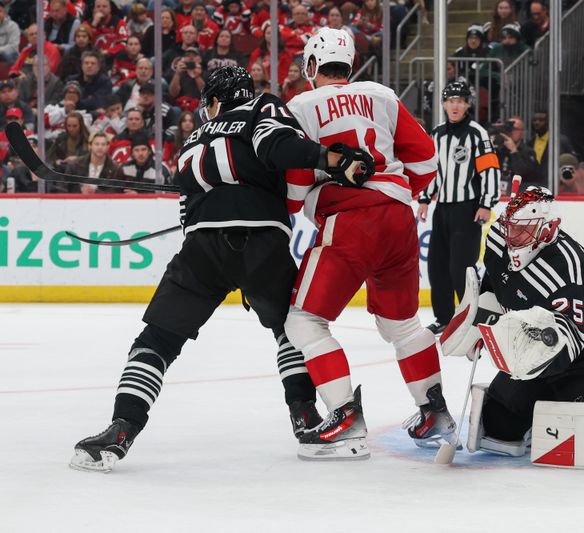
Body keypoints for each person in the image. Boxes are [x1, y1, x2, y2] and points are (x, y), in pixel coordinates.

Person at [69, 65, 374, 472]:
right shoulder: (262, 107)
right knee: (290, 330)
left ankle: (121, 428)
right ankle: (305, 416)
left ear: (214, 101)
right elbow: (280, 147)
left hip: (202, 247)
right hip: (262, 243)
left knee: (157, 339)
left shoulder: (194, 138)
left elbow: (186, 211)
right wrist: (331, 158)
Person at [282, 28, 454, 461]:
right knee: (403, 325)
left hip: (350, 220)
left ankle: (343, 418)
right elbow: (427, 160)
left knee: (303, 322)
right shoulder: (380, 95)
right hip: (398, 218)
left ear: (311, 67)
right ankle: (434, 413)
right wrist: (393, 191)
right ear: (351, 65)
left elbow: (296, 185)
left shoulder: (301, 105)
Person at [442, 186, 584, 456]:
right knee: (498, 426)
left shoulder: (564, 268)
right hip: (540, 341)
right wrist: (483, 323)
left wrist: (519, 356)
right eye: (510, 227)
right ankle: (541, 412)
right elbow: (495, 280)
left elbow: (568, 343)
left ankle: (562, 405)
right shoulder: (499, 239)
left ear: (546, 230)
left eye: (521, 231)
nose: (511, 237)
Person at [417, 80, 500, 334]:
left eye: (460, 101)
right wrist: (423, 198)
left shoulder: (477, 133)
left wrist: (487, 203)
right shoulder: (437, 133)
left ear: (467, 105)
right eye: (451, 101)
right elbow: (431, 170)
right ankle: (444, 318)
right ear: (443, 104)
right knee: (437, 266)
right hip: (442, 208)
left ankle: (470, 318)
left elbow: (490, 170)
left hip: (468, 209)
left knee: (460, 268)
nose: (455, 105)